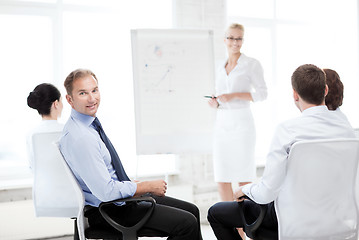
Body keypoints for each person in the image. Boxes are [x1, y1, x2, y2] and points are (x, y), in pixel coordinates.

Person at [207, 64, 356, 240]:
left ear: (295, 95)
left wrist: (244, 189)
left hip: (293, 222)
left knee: (216, 212)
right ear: (325, 90)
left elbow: (266, 193)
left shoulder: (287, 131)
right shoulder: (348, 132)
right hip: (338, 222)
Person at [59, 69, 202, 240]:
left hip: (114, 203)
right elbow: (106, 192)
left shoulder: (87, 126)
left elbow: (102, 177)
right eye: (83, 93)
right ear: (70, 99)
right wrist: (146, 187)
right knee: (186, 223)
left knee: (192, 210)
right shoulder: (82, 137)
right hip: (109, 210)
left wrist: (131, 185)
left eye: (94, 90)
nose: (92, 98)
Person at [26, 83, 64, 168]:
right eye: (61, 101)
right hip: (68, 181)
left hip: (41, 181)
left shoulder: (31, 134)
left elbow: (33, 167)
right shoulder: (67, 130)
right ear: (56, 104)